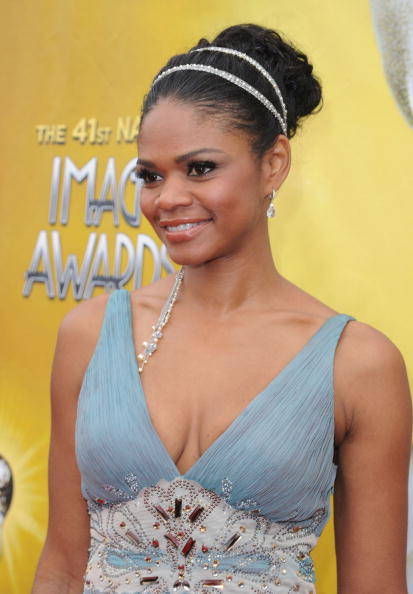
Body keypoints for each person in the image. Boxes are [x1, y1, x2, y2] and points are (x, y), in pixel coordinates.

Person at [32, 23, 412, 594]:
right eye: (151, 176)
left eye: (201, 168)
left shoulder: (358, 365)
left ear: (273, 164)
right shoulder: (89, 334)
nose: (168, 198)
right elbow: (63, 565)